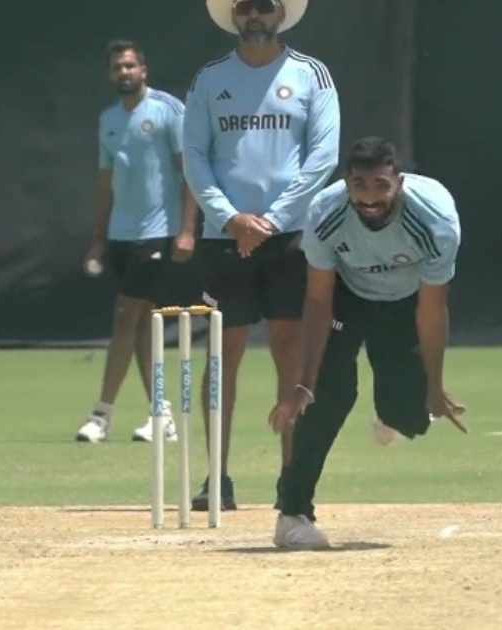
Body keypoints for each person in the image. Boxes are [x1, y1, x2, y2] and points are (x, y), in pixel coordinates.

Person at [267, 136, 466, 549]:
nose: (370, 198)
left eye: (380, 185)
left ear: (398, 180)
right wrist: (306, 381)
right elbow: (319, 299)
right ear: (347, 182)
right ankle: (292, 514)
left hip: (403, 303)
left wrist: (434, 385)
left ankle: (392, 412)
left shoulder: (434, 219)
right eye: (360, 186)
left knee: (409, 416)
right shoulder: (326, 212)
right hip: (346, 296)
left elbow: (432, 310)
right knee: (328, 396)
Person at [182, 0, 339, 509]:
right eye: (245, 7)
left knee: (291, 350)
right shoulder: (210, 79)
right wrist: (230, 217)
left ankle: (291, 480)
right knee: (223, 354)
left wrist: (270, 220)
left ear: (281, 15)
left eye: (264, 6)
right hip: (225, 238)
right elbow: (195, 157)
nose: (255, 15)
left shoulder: (311, 75)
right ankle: (217, 479)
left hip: (291, 235)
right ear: (234, 16)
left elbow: (323, 157)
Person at [76, 39, 198, 443]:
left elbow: (189, 174)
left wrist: (185, 230)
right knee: (143, 325)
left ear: (143, 70)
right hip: (121, 236)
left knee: (126, 316)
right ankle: (161, 414)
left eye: (130, 66)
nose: (123, 73)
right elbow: (105, 183)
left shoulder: (167, 111)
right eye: (117, 68)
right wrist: (98, 239)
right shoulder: (108, 119)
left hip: (158, 232)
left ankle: (101, 414)